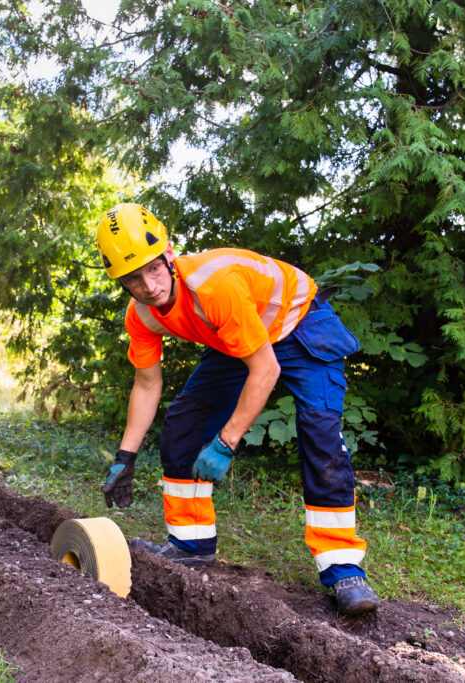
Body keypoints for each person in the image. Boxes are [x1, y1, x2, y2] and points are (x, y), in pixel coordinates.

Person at [97, 202, 379, 615]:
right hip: (238, 335)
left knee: (320, 436)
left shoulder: (214, 288)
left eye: (153, 269)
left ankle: (343, 568)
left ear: (169, 255)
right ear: (122, 283)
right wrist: (125, 456)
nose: (149, 286)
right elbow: (147, 383)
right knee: (185, 422)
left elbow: (265, 371)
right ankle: (191, 544)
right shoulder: (142, 316)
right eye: (134, 279)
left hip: (300, 322)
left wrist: (226, 443)